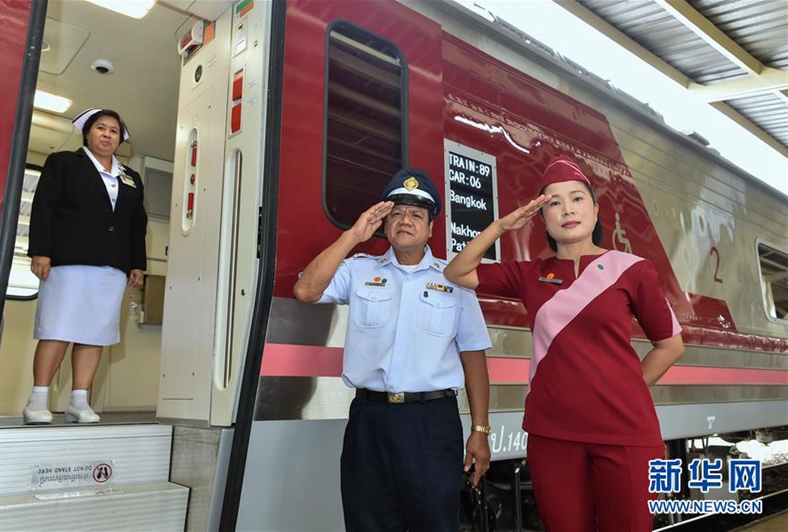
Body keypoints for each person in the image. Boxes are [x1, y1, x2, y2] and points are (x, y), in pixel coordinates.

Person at [444, 155, 684, 531]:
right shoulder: (530, 275)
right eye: (554, 203)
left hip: (625, 430)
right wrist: (504, 226)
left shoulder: (633, 269)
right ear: (542, 219)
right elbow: (456, 271)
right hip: (552, 434)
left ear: (595, 209)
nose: (567, 209)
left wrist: (627, 388)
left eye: (576, 198)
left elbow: (671, 344)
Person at [293, 168, 492, 531]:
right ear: (384, 223)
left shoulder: (454, 280)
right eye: (397, 212)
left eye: (417, 214)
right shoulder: (358, 270)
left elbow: (474, 355)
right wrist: (352, 236)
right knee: (366, 520)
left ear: (431, 228)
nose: (405, 220)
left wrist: (480, 429)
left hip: (431, 423)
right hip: (369, 420)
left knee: (433, 521)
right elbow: (306, 291)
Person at [23, 108, 147, 425]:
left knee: (96, 333)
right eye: (101, 128)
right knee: (57, 328)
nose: (107, 135)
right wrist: (40, 251)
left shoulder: (130, 178)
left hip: (113, 265)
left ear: (121, 139)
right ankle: (38, 398)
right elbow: (44, 206)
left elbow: (137, 224)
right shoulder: (64, 163)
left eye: (114, 131)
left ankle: (79, 400)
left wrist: (137, 263)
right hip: (68, 259)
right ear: (88, 133)